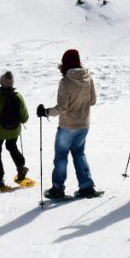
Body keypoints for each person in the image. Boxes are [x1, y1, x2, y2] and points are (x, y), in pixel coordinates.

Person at [37, 49, 99, 199]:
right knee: (79, 154)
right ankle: (86, 186)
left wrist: (45, 112)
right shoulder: (88, 78)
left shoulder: (65, 81)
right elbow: (93, 101)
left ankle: (57, 188)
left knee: (61, 157)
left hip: (67, 127)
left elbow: (62, 108)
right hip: (83, 125)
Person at [0, 71, 30, 189]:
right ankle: (21, 168)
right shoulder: (18, 96)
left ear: (2, 84)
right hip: (14, 131)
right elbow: (25, 118)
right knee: (12, 147)